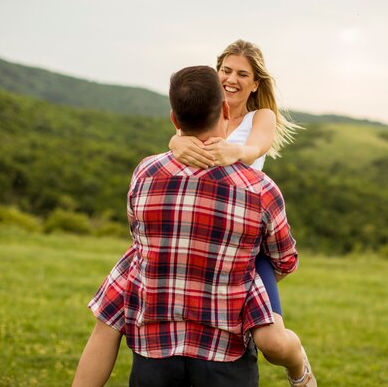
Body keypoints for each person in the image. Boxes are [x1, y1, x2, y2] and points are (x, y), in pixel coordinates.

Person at [71, 65, 310, 387]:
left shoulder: (145, 173)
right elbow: (285, 259)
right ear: (224, 109)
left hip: (153, 349)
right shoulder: (260, 189)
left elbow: (139, 234)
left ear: (174, 118)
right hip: (224, 354)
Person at [169, 39, 315, 387]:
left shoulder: (259, 117)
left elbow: (256, 146)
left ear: (255, 83)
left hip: (248, 241)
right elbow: (177, 140)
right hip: (202, 236)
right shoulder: (203, 111)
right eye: (226, 70)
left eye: (242, 74)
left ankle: (301, 370)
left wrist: (236, 151)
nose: (231, 79)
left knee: (273, 344)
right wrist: (176, 142)